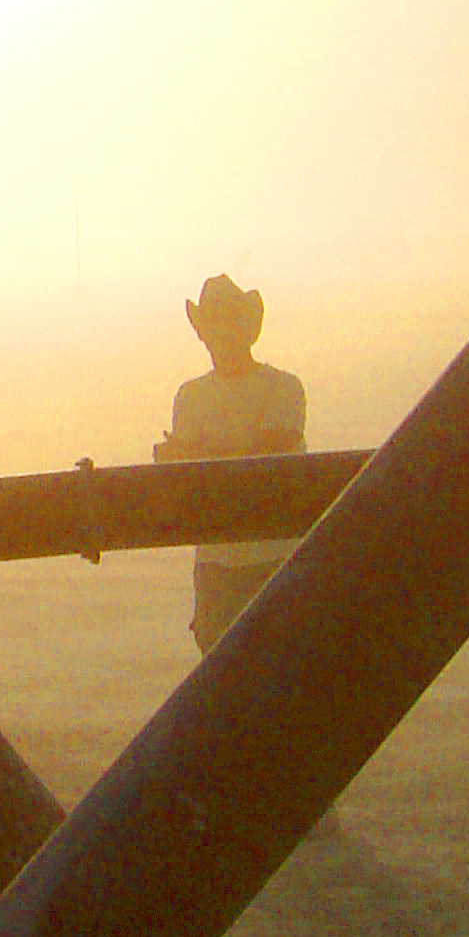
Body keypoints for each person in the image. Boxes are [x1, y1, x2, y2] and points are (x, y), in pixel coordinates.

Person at [155, 274, 307, 653]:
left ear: (249, 327)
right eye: (214, 321)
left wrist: (192, 456)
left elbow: (267, 462)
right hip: (216, 569)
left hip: (276, 561)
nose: (222, 331)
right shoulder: (190, 396)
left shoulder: (284, 387)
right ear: (202, 331)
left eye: (230, 319)